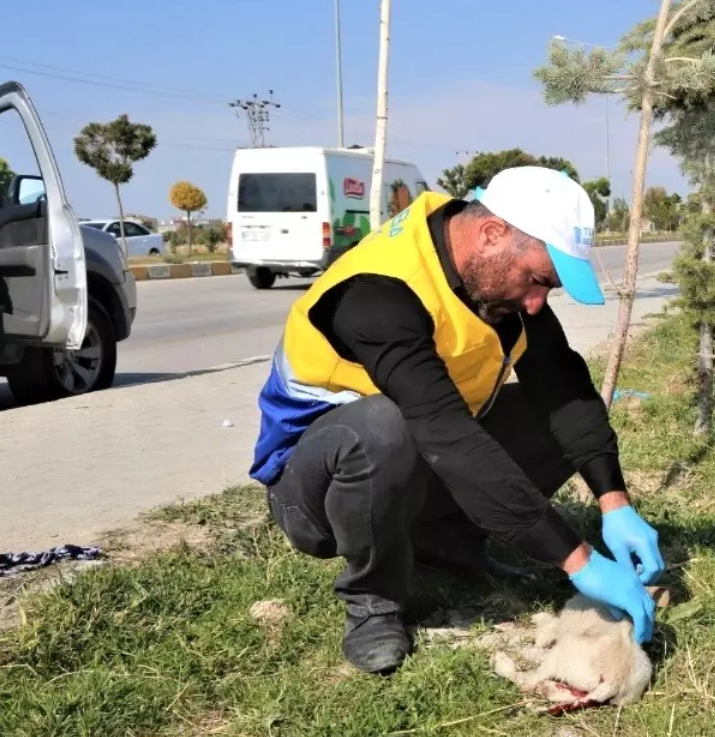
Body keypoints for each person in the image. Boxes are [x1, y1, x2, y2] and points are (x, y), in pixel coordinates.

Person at [249, 166, 664, 675]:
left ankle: (447, 543)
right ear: (492, 234)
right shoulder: (378, 292)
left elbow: (564, 387)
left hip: (416, 460)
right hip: (313, 492)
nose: (538, 302)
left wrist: (613, 500)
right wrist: (579, 560)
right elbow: (446, 433)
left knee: (549, 415)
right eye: (537, 281)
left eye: (548, 288)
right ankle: (374, 600)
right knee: (385, 427)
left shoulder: (489, 279)